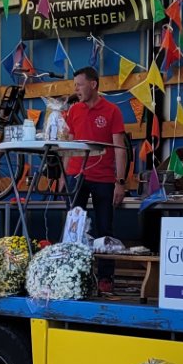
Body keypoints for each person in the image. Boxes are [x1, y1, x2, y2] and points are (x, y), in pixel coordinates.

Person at [65, 66, 128, 294]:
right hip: (76, 174)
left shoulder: (112, 111)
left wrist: (120, 182)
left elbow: (120, 148)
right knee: (73, 228)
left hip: (103, 177)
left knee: (105, 228)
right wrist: (64, 174)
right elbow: (68, 145)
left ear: (93, 84)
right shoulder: (73, 110)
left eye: (80, 85)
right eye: (75, 85)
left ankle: (105, 278)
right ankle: (71, 274)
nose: (76, 89)